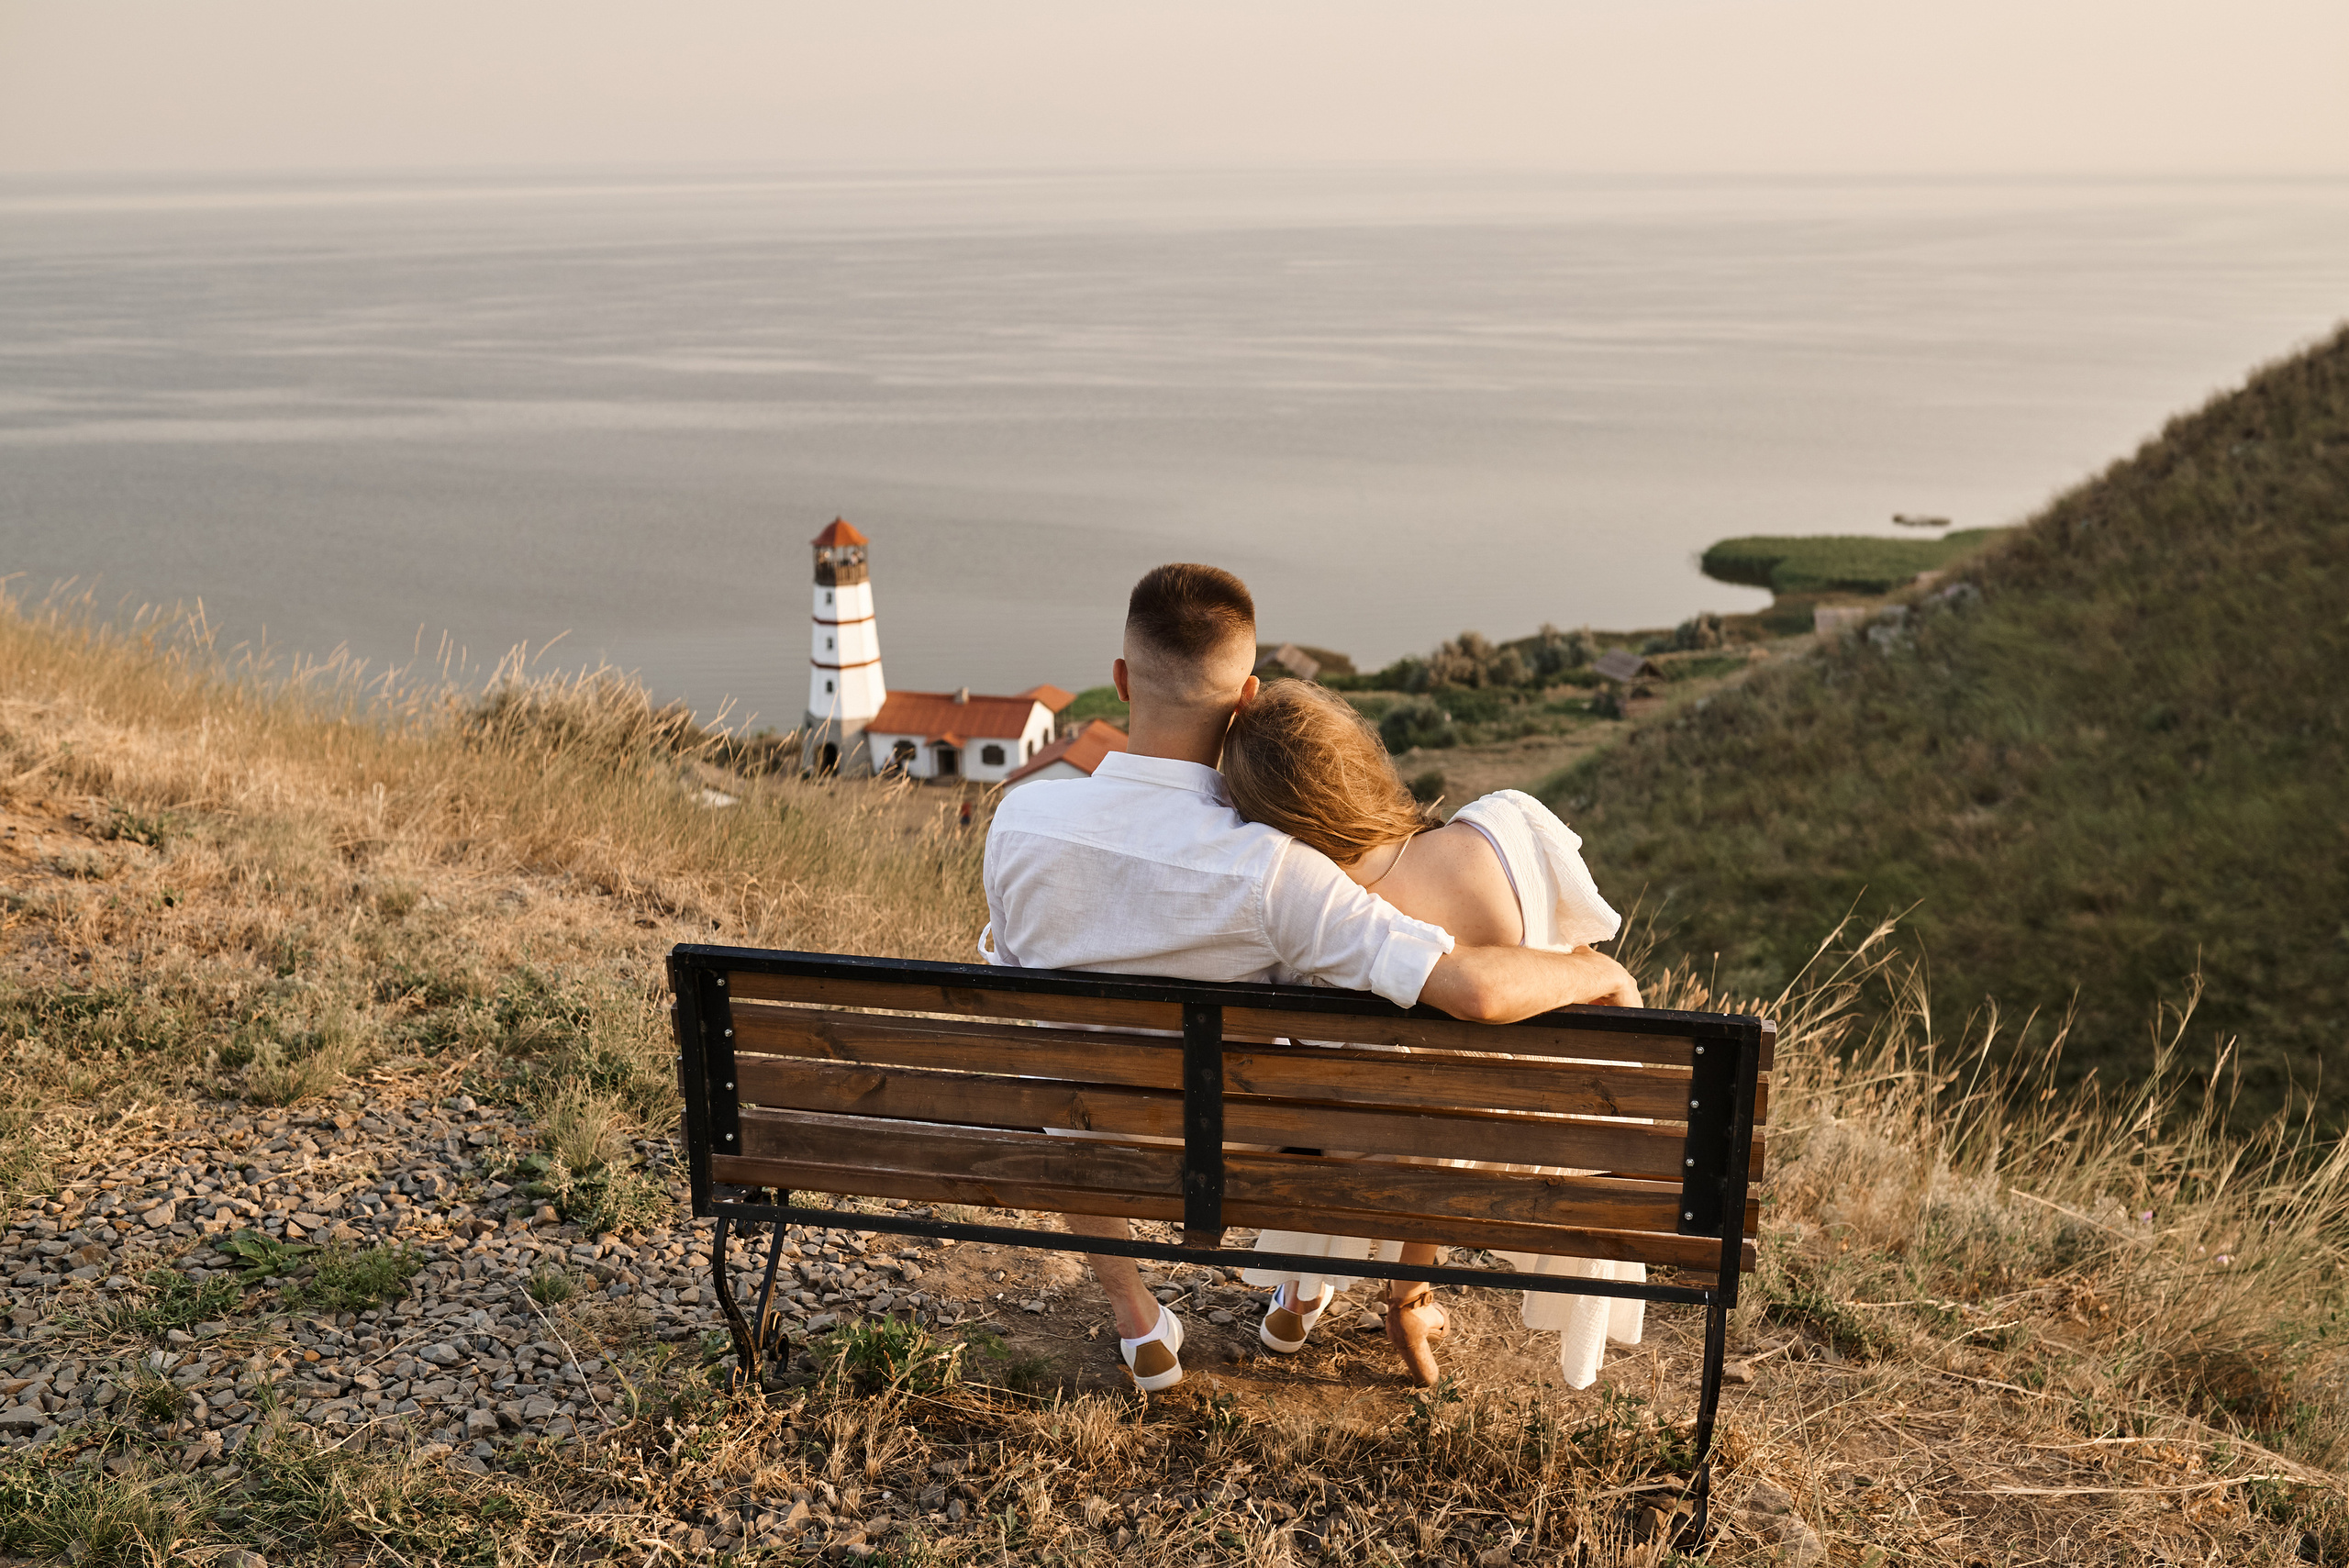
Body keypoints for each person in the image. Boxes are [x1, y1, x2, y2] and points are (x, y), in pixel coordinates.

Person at [980, 564, 1641, 1393]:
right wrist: (1592, 968)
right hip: (1237, 1158)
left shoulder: (1020, 820)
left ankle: (1135, 1315)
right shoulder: (1275, 871)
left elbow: (1006, 967)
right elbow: (1469, 988)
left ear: (1120, 678)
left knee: (1059, 1078)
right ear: (1246, 694)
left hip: (1081, 1135)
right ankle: (1305, 1280)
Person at [1219, 677, 1647, 1389]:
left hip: (1365, 1153)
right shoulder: (1505, 829)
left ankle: (1300, 1289)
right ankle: (1406, 1299)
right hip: (1492, 1140)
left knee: (1361, 1112)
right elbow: (1578, 932)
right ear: (1361, 756)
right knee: (1445, 1109)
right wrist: (1596, 972)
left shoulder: (1306, 928)